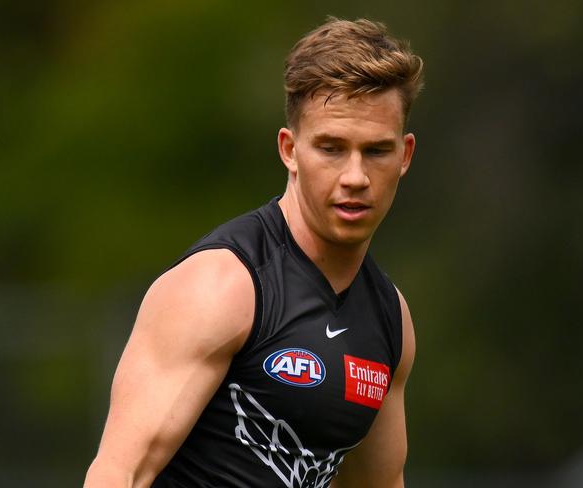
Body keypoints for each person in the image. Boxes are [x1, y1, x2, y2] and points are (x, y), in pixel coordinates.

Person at [84, 16, 423, 488]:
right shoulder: (222, 286)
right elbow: (119, 474)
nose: (354, 177)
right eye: (330, 148)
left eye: (376, 152)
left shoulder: (390, 321)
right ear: (290, 150)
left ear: (404, 156)